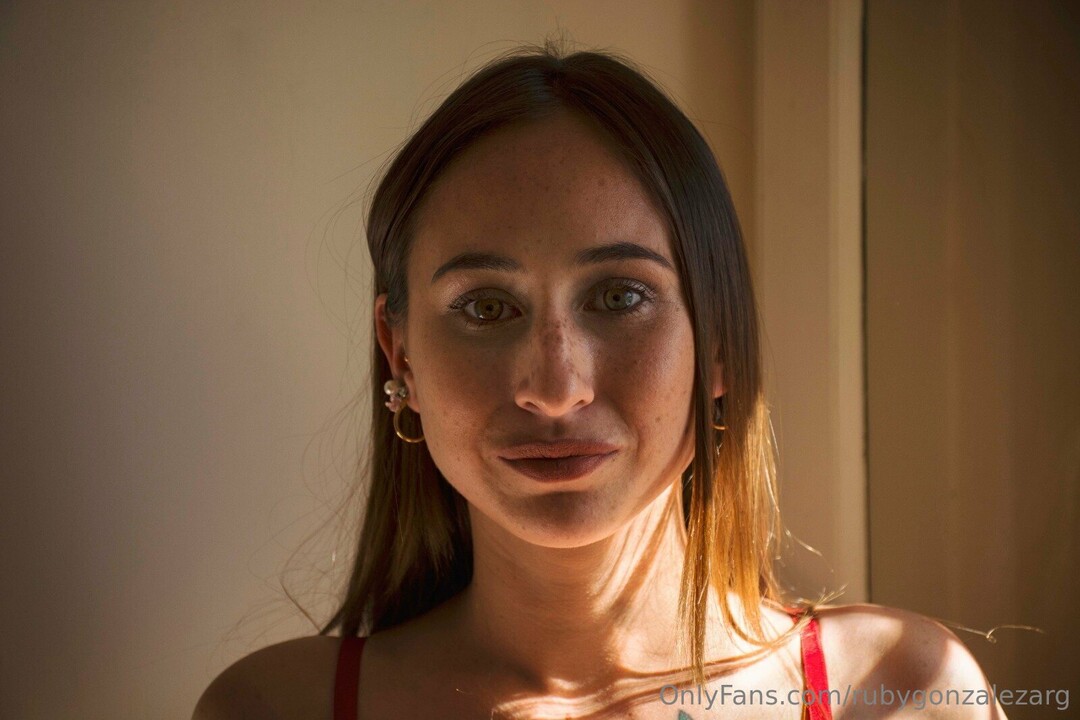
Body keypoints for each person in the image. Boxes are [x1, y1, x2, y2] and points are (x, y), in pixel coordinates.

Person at [194, 43, 1006, 719]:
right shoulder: (271, 709)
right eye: (485, 307)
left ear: (720, 341)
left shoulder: (901, 694)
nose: (556, 387)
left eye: (620, 297)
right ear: (399, 355)